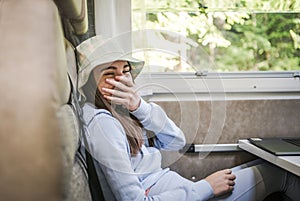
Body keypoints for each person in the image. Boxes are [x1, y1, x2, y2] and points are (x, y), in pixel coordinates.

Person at [76, 35, 299, 201]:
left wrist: (139, 106)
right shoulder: (102, 124)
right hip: (189, 194)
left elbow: (177, 141)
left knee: (266, 163)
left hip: (181, 191)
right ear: (90, 83)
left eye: (125, 71)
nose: (122, 80)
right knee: (281, 173)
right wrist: (205, 187)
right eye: (109, 74)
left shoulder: (124, 111)